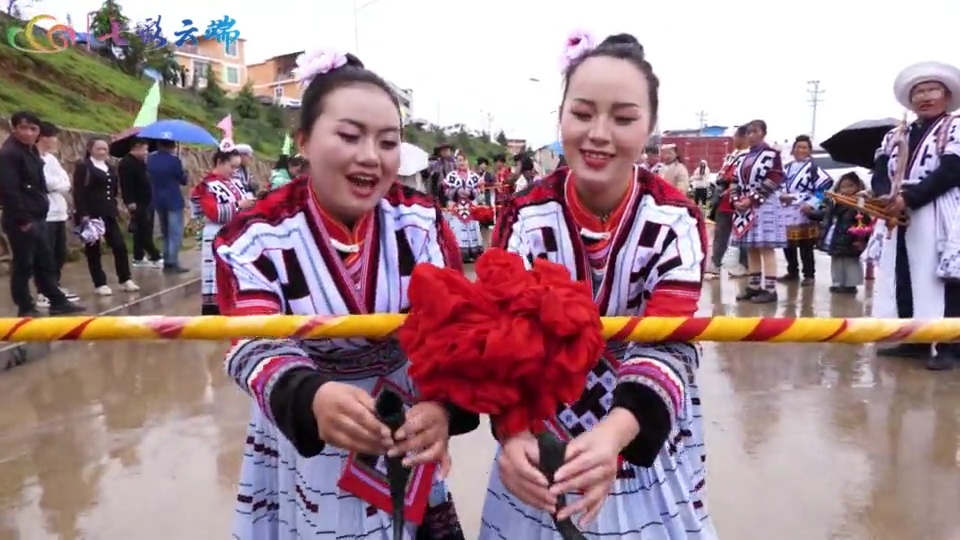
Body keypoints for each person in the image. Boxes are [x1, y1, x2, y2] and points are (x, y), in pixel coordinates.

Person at [215, 48, 479, 539]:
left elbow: (457, 332)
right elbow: (250, 340)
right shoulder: (255, 235)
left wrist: (443, 406)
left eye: (388, 141)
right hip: (309, 424)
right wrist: (309, 396)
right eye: (349, 135)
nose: (370, 157)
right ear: (304, 142)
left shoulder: (421, 222)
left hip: (408, 419)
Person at [482, 32, 714, 539]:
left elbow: (670, 342)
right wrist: (513, 429)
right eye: (582, 113)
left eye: (624, 118)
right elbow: (502, 338)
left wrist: (615, 432)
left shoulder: (676, 219)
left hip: (639, 418)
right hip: (538, 421)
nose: (598, 134)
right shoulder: (524, 216)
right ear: (560, 113)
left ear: (651, 126)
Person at [872, 61, 960, 371]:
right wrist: (884, 196)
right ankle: (916, 340)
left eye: (931, 90)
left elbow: (952, 170)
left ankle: (951, 346)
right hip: (899, 210)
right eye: (918, 92)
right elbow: (880, 170)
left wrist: (910, 197)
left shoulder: (955, 126)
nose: (924, 97)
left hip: (940, 209)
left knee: (945, 276)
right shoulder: (896, 133)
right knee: (904, 273)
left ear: (946, 95)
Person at [0, 112, 84, 316]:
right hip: (22, 219)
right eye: (23, 128)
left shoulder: (31, 152)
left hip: (38, 215)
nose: (28, 133)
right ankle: (25, 306)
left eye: (33, 129)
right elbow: (8, 190)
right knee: (24, 264)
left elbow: (40, 185)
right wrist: (22, 219)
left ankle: (56, 300)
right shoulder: (9, 154)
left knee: (45, 261)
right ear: (14, 128)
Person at [73, 137, 140, 296]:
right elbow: (79, 191)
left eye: (105, 149)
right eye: (99, 149)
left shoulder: (109, 167)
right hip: (91, 214)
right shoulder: (84, 167)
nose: (102, 152)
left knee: (119, 246)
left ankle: (125, 279)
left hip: (108, 212)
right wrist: (83, 213)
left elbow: (114, 189)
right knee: (94, 250)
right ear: (90, 149)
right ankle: (100, 283)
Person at [730, 119, 786, 304]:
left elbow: (775, 177)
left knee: (765, 247)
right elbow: (735, 181)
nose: (751, 135)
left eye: (755, 131)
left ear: (763, 133)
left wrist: (752, 198)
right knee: (751, 247)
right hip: (745, 208)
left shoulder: (772, 155)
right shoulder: (743, 158)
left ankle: (770, 290)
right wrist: (736, 199)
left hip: (764, 204)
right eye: (748, 132)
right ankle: (754, 286)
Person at [191, 144, 251, 315]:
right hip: (216, 233)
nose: (234, 171)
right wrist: (240, 205)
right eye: (232, 167)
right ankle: (214, 311)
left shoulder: (235, 183)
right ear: (220, 162)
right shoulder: (207, 186)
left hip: (234, 235)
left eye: (237, 168)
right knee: (215, 275)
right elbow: (214, 212)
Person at [35, 121, 80, 307]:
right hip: (45, 213)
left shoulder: (51, 159)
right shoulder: (34, 158)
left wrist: (59, 184)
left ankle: (55, 285)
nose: (55, 141)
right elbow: (46, 183)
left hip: (59, 212)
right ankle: (43, 291)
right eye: (53, 136)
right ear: (43, 137)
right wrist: (58, 185)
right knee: (44, 255)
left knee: (59, 253)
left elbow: (65, 181)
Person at [779, 134, 834, 286]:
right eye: (798, 147)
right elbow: (778, 186)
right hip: (787, 208)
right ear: (793, 150)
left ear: (809, 151)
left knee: (806, 243)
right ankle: (792, 271)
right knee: (788, 242)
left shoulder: (813, 168)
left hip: (805, 207)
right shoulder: (787, 168)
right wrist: (781, 195)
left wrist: (812, 204)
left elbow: (824, 187)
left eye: (805, 147)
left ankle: (809, 274)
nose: (801, 150)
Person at [808, 172, 866, 295]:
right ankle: (837, 282)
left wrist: (861, 239)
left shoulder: (860, 203)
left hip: (851, 238)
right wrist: (811, 214)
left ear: (858, 187)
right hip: (836, 237)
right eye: (843, 187)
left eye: (851, 186)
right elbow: (825, 215)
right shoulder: (834, 202)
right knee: (836, 261)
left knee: (850, 262)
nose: (847, 190)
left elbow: (864, 221)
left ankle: (851, 284)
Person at [705, 126, 749, 279]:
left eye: (735, 137)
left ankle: (745, 265)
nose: (733, 140)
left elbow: (739, 177)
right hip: (724, 200)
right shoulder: (733, 155)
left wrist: (728, 185)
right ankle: (715, 264)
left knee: (742, 233)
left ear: (743, 137)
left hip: (738, 199)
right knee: (721, 233)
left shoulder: (748, 156)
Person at [119, 139, 163, 268]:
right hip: (137, 202)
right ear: (136, 147)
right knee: (143, 230)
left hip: (146, 200)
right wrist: (130, 201)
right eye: (144, 149)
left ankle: (138, 256)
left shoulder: (140, 162)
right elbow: (126, 184)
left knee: (142, 230)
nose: (146, 152)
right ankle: (155, 255)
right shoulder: (127, 163)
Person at [147, 139, 189, 274]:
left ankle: (166, 261)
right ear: (172, 146)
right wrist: (185, 170)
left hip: (158, 200)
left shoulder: (150, 160)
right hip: (173, 200)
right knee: (175, 233)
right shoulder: (175, 161)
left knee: (165, 233)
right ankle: (172, 262)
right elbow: (183, 180)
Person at [443, 152, 484, 261]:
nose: (461, 162)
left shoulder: (475, 176)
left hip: (471, 208)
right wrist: (456, 192)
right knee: (458, 229)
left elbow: (481, 189)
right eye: (459, 160)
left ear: (467, 161)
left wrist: (471, 192)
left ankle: (474, 253)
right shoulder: (451, 176)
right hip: (456, 208)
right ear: (455, 162)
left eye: (463, 160)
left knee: (472, 229)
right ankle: (460, 254)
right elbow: (445, 190)